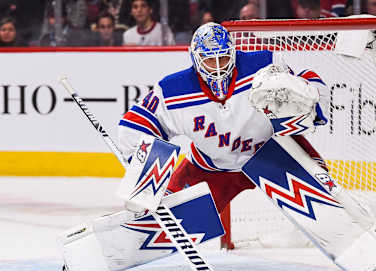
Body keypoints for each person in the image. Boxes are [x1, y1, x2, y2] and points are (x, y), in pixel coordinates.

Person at [117, 22, 329, 221]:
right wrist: (143, 181)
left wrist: (309, 102)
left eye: (223, 58)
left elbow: (308, 84)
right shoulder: (173, 91)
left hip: (272, 155)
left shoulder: (265, 65)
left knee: (325, 206)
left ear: (233, 53)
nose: (218, 68)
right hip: (211, 168)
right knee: (166, 222)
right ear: (195, 58)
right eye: (210, 60)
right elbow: (134, 127)